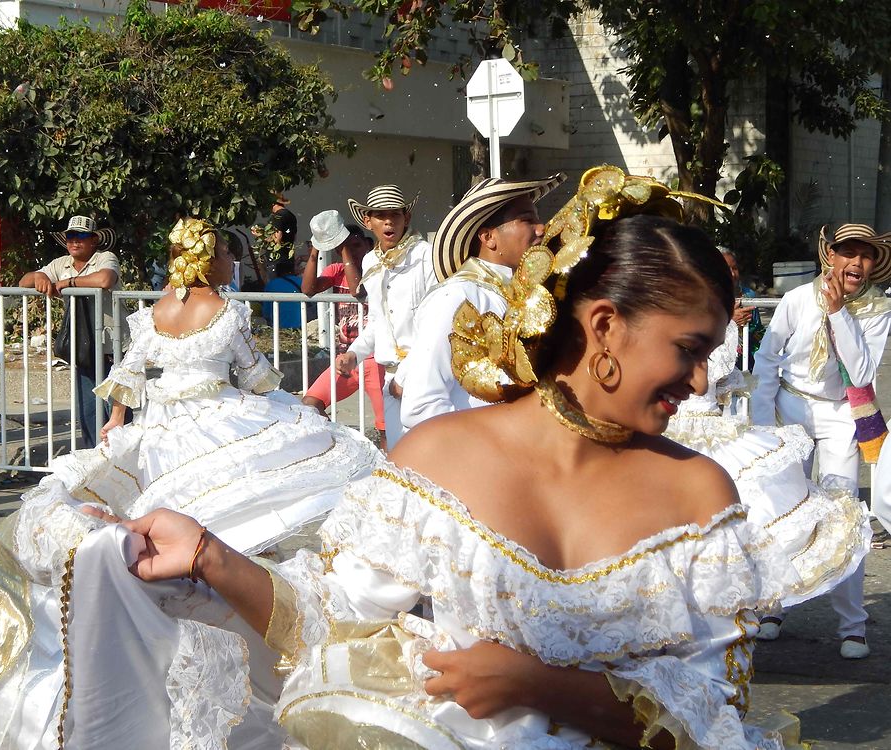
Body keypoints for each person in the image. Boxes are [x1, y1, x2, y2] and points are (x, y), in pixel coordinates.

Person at [121, 168, 830, 749]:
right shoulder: (439, 458)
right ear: (607, 327)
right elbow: (335, 619)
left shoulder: (701, 493)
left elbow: (715, 715)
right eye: (689, 350)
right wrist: (211, 554)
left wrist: (536, 684)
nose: (702, 381)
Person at [0, 217, 381, 749]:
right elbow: (257, 376)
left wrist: (118, 419)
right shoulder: (229, 310)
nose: (227, 262)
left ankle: (174, 610)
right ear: (210, 258)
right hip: (218, 417)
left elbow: (126, 374)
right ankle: (235, 609)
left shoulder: (151, 315)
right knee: (237, 507)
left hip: (161, 429)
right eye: (223, 253)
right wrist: (273, 396)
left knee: (157, 515)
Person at [751, 223, 891, 659]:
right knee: (780, 512)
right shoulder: (795, 299)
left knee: (843, 513)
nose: (856, 263)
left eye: (865, 255)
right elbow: (767, 359)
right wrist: (764, 426)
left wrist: (837, 313)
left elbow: (863, 373)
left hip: (842, 416)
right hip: (789, 409)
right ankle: (772, 607)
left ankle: (852, 626)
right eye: (848, 252)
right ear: (830, 256)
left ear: (873, 264)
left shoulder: (876, 310)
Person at [665, 317, 871, 611]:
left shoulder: (722, 327)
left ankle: (844, 622)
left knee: (741, 521)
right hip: (673, 433)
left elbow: (716, 384)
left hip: (717, 431)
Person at [399, 174, 564, 431]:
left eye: (538, 219)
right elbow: (421, 407)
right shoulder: (456, 297)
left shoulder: (526, 294)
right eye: (527, 220)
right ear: (488, 238)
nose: (541, 228)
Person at [336, 184, 435, 449]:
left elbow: (436, 322)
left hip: (426, 373)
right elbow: (378, 321)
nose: (389, 221)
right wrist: (354, 354)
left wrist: (408, 375)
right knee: (398, 453)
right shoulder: (370, 261)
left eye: (395, 214)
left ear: (407, 218)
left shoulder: (426, 255)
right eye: (381, 215)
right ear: (368, 221)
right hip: (391, 376)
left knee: (429, 455)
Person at [19, 215, 124, 449]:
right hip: (84, 347)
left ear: (94, 240)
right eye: (70, 237)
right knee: (88, 409)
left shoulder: (105, 258)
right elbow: (23, 281)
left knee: (117, 413)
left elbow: (106, 279)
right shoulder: (60, 263)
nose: (75, 242)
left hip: (113, 346)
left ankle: (122, 466)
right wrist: (40, 276)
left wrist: (69, 283)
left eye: (81, 236)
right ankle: (91, 463)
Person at [300, 213, 386, 446]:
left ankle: (395, 464)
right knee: (311, 404)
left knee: (385, 424)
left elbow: (358, 289)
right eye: (345, 248)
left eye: (356, 245)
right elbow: (308, 289)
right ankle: (344, 447)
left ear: (369, 245)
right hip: (346, 357)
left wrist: (345, 251)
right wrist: (316, 250)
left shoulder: (377, 269)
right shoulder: (338, 269)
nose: (352, 251)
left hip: (375, 358)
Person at [720, 247, 764, 368]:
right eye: (725, 269)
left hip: (746, 365)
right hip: (717, 369)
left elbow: (758, 332)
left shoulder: (748, 296)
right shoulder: (705, 298)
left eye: (734, 268)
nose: (732, 274)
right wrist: (730, 322)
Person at [262, 256, 313, 328]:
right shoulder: (301, 282)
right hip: (301, 325)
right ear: (293, 269)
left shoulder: (271, 284)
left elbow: (266, 312)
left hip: (278, 326)